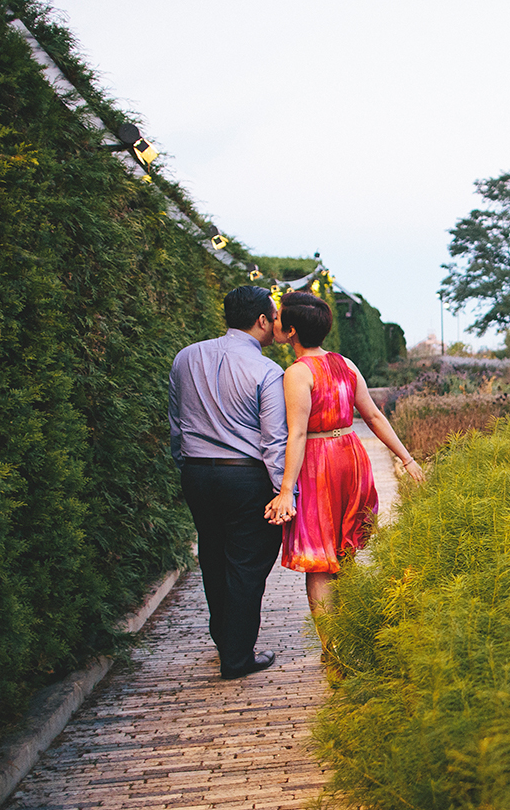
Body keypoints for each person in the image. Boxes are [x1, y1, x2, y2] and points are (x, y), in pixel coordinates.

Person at [263, 292, 424, 665]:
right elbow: (374, 417)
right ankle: (348, 629)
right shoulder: (345, 364)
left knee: (320, 559)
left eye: (279, 319)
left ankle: (333, 648)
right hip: (351, 456)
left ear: (290, 331)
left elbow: (298, 434)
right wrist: (407, 459)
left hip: (318, 462)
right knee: (343, 550)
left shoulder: (297, 373)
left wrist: (286, 490)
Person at [168, 285, 290, 680]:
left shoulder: (186, 357)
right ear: (261, 320)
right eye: (273, 318)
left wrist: (184, 464)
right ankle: (237, 657)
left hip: (198, 474)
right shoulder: (268, 371)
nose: (276, 325)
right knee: (247, 565)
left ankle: (224, 637)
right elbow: (273, 440)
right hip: (246, 475)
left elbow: (176, 423)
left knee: (214, 557)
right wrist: (283, 491)